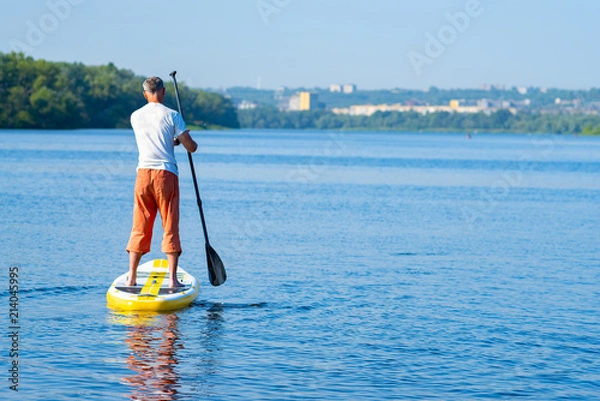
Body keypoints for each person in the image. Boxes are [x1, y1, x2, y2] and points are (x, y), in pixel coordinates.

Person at [126, 76, 198, 287]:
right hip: (165, 174)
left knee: (140, 225)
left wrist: (173, 141)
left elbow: (154, 139)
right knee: (170, 224)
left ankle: (131, 278)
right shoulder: (173, 115)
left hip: (142, 174)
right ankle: (173, 280)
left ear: (145, 94)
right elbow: (191, 147)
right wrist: (183, 139)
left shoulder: (135, 116)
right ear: (163, 91)